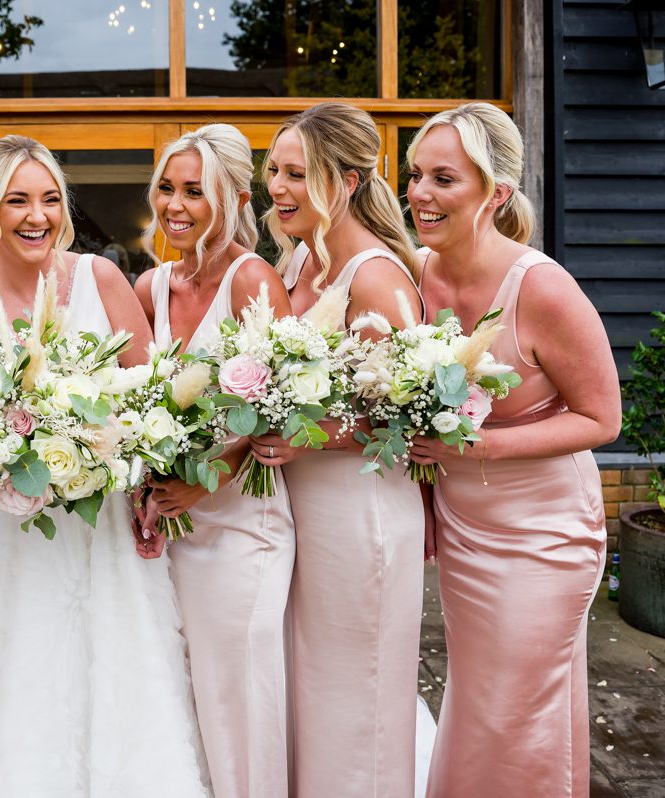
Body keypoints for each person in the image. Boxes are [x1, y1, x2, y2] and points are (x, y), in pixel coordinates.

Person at [0, 135, 210, 797]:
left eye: (48, 199)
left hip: (100, 520)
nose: (35, 216)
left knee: (115, 667)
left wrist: (123, 463)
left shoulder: (99, 279)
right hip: (10, 531)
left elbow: (151, 392)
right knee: (18, 671)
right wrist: (6, 444)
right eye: (17, 200)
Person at [405, 102, 620, 798]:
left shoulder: (543, 287)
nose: (420, 195)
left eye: (444, 179)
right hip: (468, 533)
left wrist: (473, 448)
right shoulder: (413, 273)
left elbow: (601, 418)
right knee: (475, 704)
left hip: (544, 534)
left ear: (494, 193)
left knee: (517, 710)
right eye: (415, 176)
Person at [250, 102, 427, 798]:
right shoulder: (297, 259)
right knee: (312, 689)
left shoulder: (376, 275)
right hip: (301, 513)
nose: (280, 188)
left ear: (347, 182)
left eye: (299, 174)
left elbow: (410, 416)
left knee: (360, 695)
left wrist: (310, 435)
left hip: (362, 515)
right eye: (275, 171)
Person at [134, 123, 297, 798]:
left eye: (194, 192)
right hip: (172, 533)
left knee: (240, 688)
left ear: (231, 196)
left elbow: (285, 411)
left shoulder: (252, 278)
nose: (175, 205)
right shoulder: (151, 288)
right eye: (167, 189)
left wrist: (208, 481)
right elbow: (134, 406)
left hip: (243, 525)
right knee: (188, 693)